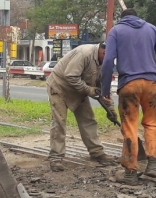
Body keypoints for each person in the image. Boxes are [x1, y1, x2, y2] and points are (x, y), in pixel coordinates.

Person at [100, 8, 156, 186]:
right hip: (152, 84)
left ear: (122, 19)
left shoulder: (116, 31)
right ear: (137, 17)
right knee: (152, 124)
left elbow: (108, 61)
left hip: (129, 85)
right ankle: (153, 162)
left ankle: (130, 173)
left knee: (130, 127)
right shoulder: (151, 29)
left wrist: (104, 89)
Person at [46, 42, 117, 172]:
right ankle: (56, 157)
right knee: (59, 122)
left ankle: (97, 152)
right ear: (104, 52)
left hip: (78, 90)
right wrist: (89, 90)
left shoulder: (106, 63)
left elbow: (103, 88)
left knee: (88, 120)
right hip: (60, 87)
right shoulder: (84, 53)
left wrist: (110, 109)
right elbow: (70, 76)